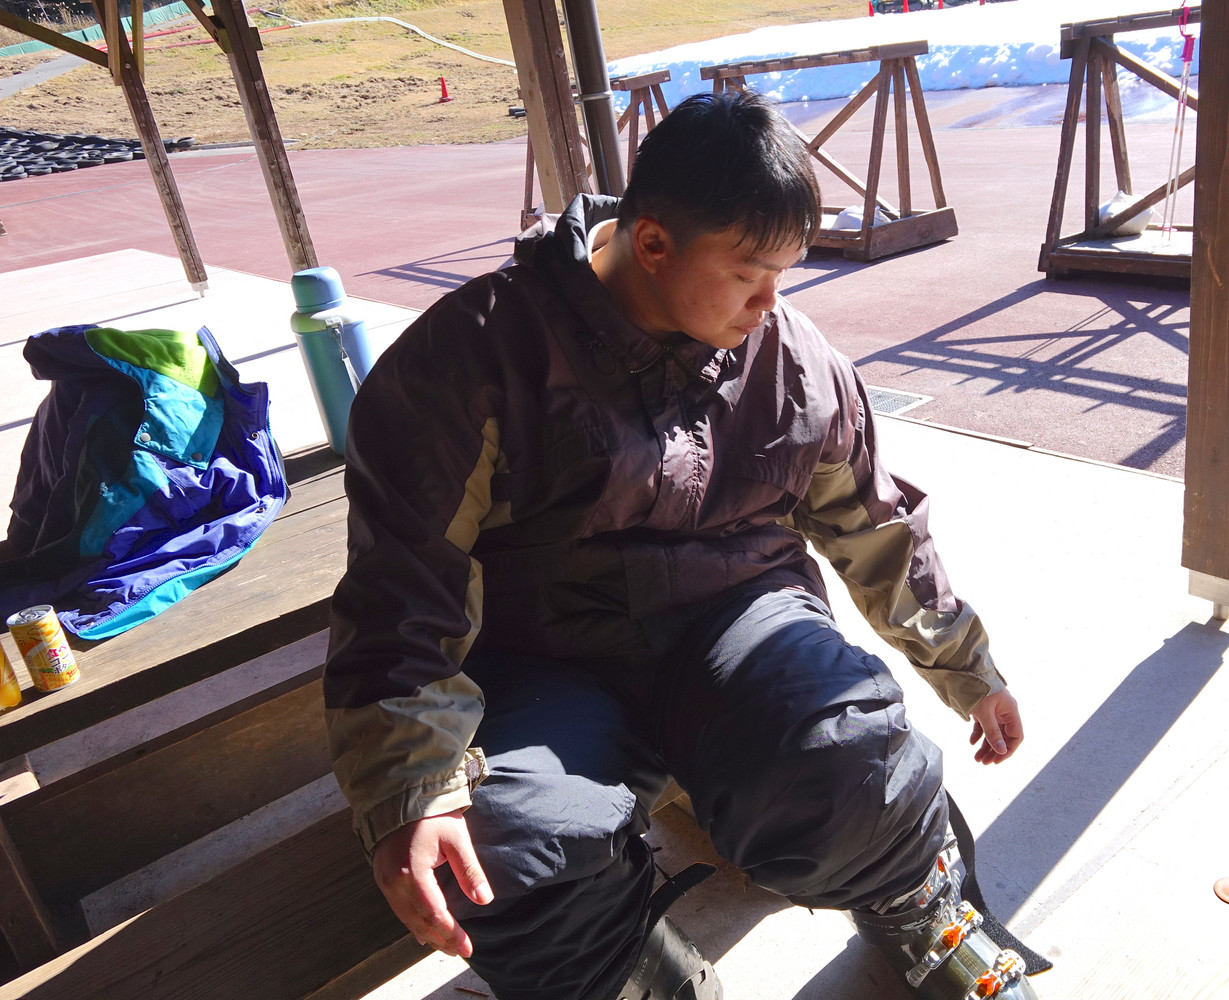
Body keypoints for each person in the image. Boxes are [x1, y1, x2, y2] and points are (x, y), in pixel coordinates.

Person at [323, 90, 1041, 1000]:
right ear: (654, 243)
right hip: (543, 658)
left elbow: (877, 525)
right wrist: (412, 790)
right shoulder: (469, 359)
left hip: (737, 619)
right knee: (495, 852)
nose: (771, 304)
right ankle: (639, 979)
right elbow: (401, 586)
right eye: (750, 274)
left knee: (850, 745)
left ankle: (918, 906)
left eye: (786, 273)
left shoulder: (794, 358)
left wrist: (969, 669)